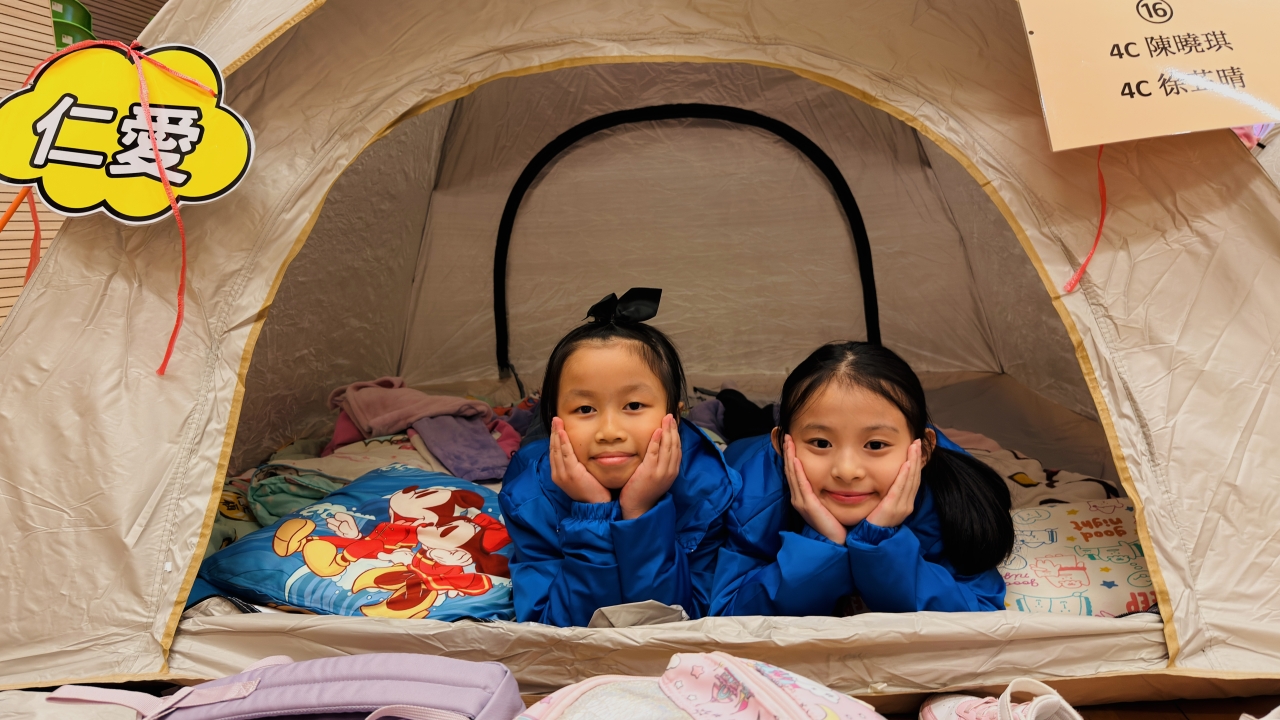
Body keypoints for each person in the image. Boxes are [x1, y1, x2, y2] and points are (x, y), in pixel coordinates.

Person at [711, 341, 1013, 616]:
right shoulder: (752, 500)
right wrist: (823, 544)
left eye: (876, 445)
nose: (847, 470)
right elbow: (726, 613)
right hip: (748, 446)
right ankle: (731, 400)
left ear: (922, 452)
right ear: (781, 445)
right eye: (821, 443)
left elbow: (981, 611)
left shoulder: (947, 497)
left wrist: (879, 542)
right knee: (739, 419)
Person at [499, 288, 739, 627]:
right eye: (585, 409)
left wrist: (642, 512)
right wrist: (593, 514)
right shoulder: (528, 501)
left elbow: (679, 620)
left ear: (674, 415)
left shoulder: (709, 490)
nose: (609, 431)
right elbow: (554, 627)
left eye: (634, 405)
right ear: (555, 419)